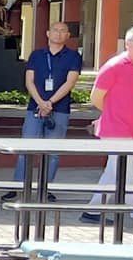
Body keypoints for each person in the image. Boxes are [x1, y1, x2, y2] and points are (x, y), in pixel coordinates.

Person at [81, 25, 133, 223]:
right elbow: (96, 97)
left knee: (114, 170)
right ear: (127, 43)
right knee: (127, 170)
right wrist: (113, 114)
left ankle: (92, 211)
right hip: (114, 128)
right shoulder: (114, 66)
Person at [15, 22, 83, 186]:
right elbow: (29, 81)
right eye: (55, 30)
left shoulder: (73, 56)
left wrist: (50, 103)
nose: (58, 34)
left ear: (68, 35)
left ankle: (46, 187)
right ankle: (18, 186)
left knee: (52, 152)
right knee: (26, 149)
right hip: (35, 108)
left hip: (59, 109)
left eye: (62, 31)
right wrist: (41, 102)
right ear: (47, 33)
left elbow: (70, 82)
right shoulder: (37, 55)